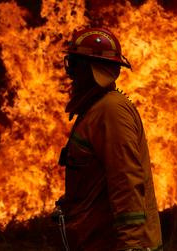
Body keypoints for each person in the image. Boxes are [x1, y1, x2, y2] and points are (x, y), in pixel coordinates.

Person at [55, 27, 162, 251]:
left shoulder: (111, 111)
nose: (70, 73)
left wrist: (131, 246)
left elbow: (126, 183)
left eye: (74, 64)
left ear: (89, 69)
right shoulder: (95, 109)